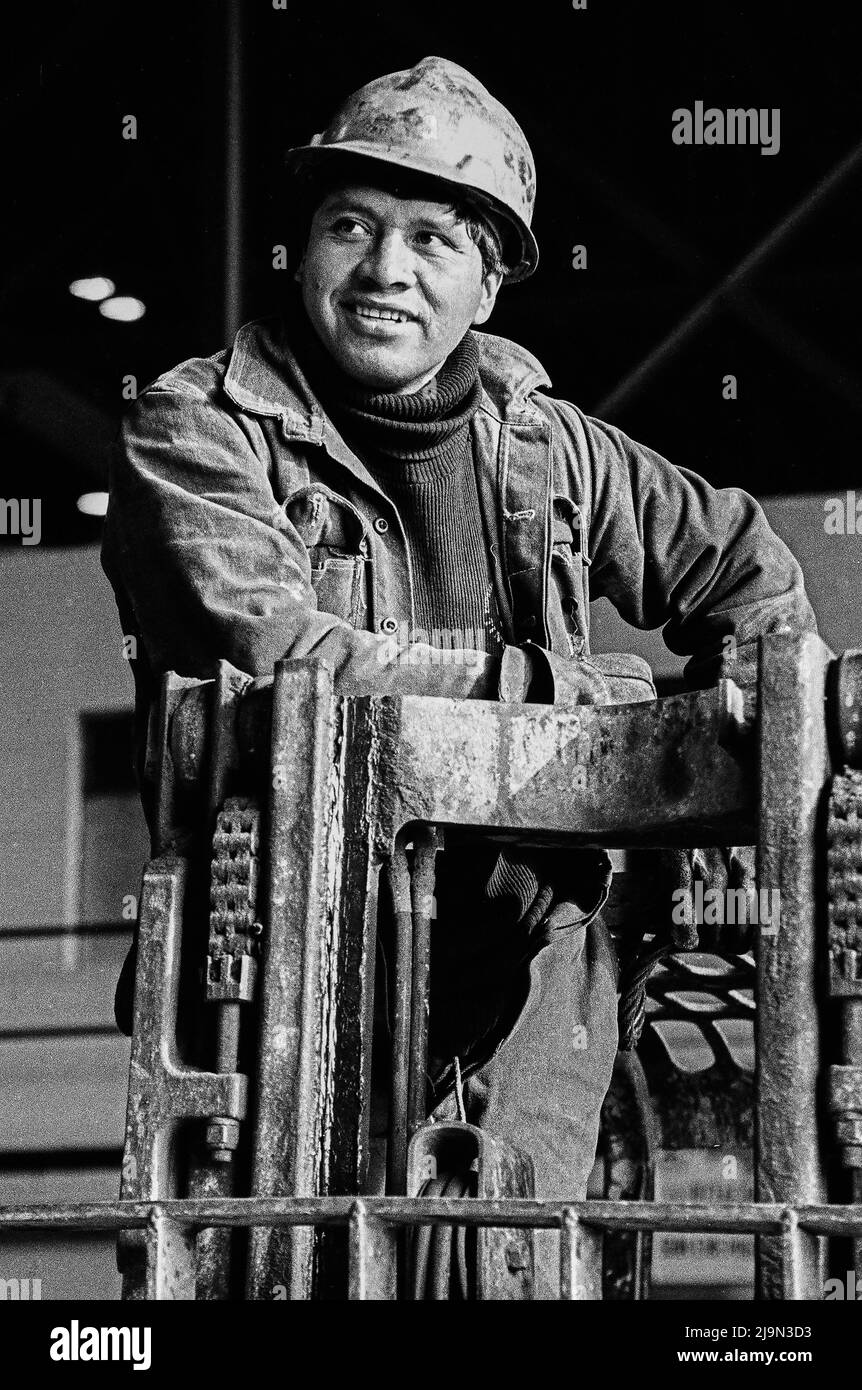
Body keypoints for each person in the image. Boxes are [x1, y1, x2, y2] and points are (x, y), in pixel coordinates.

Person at [102, 56, 816, 1296]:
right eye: (352, 226)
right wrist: (575, 703)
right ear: (304, 244)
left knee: (518, 1274)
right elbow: (288, 662)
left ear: (488, 280)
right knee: (269, 1280)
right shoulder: (199, 428)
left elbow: (750, 574)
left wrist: (716, 739)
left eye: (434, 237)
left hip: (535, 985)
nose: (386, 271)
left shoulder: (548, 446)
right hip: (284, 995)